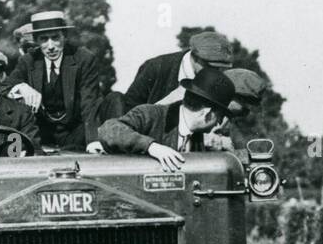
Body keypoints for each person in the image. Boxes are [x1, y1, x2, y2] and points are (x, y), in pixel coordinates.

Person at [97, 67, 236, 171]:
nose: (219, 123)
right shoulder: (150, 115)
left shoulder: (196, 137)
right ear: (207, 113)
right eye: (220, 117)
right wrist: (151, 147)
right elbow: (108, 130)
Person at [4, 11, 103, 153]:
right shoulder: (28, 60)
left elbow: (90, 101)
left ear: (65, 36)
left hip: (76, 133)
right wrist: (21, 87)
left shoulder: (84, 58)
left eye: (55, 38)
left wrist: (93, 141)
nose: (50, 46)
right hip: (42, 135)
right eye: (44, 39)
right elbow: (3, 87)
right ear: (36, 40)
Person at [97, 31, 233, 124]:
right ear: (195, 57)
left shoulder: (217, 78)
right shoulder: (156, 67)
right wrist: (165, 105)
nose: (216, 72)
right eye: (210, 66)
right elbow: (130, 113)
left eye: (220, 68)